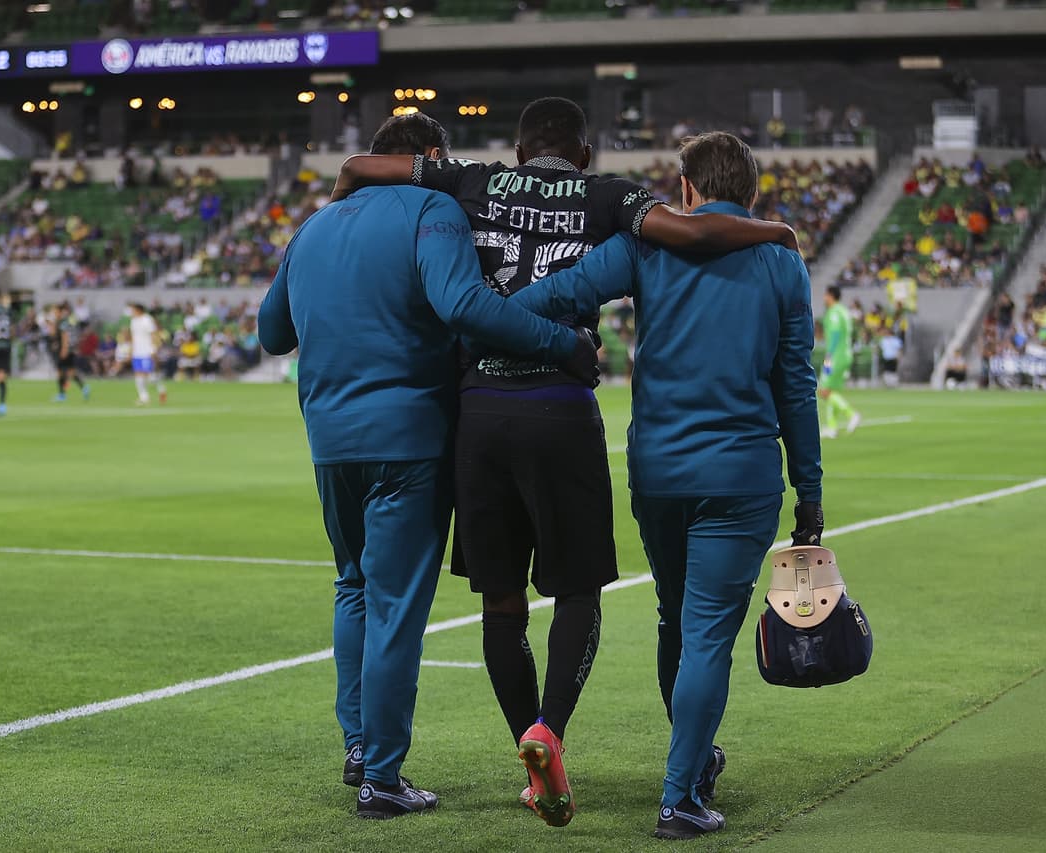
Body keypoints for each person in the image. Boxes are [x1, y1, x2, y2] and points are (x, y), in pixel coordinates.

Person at [331, 96, 798, 828]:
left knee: (500, 601)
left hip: (479, 410)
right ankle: (550, 729)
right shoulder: (609, 195)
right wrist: (773, 227)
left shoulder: (468, 180)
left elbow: (363, 166)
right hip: (559, 407)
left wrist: (340, 198)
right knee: (578, 593)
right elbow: (689, 231)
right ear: (583, 154)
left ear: (517, 153)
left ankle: (527, 743)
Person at [256, 113, 599, 822]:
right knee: (395, 606)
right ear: (429, 158)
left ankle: (358, 746)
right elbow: (462, 303)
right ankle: (383, 776)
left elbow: (271, 332)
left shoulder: (314, 227)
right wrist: (559, 341)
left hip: (328, 437)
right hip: (407, 436)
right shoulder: (435, 207)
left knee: (351, 585)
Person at [507, 131, 823, 840]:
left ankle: (696, 759)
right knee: (708, 634)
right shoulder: (778, 260)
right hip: (739, 475)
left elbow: (549, 296)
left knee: (674, 619)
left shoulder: (645, 246)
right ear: (751, 194)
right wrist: (810, 491)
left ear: (684, 191)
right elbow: (795, 388)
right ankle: (680, 795)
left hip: (657, 469)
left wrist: (532, 339)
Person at [819, 285, 861, 438]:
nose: (824, 298)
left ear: (831, 296)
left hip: (835, 356)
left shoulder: (834, 312)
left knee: (823, 390)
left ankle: (851, 414)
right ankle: (832, 428)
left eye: (825, 295)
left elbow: (835, 333)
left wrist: (829, 356)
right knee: (832, 392)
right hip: (845, 354)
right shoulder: (844, 311)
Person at [128, 304, 167, 405]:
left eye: (132, 310)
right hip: (137, 352)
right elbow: (133, 337)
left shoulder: (147, 320)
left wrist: (153, 349)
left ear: (138, 310)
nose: (131, 312)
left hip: (146, 351)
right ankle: (144, 397)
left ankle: (161, 389)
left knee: (148, 375)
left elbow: (154, 334)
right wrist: (131, 351)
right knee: (138, 374)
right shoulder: (133, 321)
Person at [53, 304, 91, 403]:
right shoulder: (70, 321)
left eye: (56, 311)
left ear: (61, 311)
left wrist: (64, 350)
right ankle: (84, 388)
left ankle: (62, 395)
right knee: (71, 372)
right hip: (71, 350)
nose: (54, 314)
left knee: (60, 372)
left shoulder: (63, 323)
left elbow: (65, 336)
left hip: (65, 350)